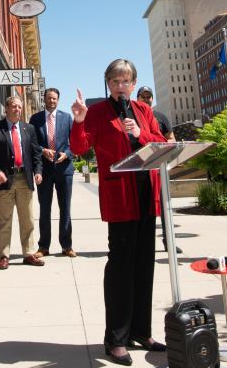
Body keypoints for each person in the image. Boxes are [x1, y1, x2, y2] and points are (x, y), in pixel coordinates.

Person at [70, 58, 168, 366]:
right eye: (115, 81)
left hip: (145, 194)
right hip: (120, 197)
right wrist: (78, 121)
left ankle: (141, 331)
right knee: (121, 267)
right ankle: (115, 339)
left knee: (144, 264)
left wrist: (140, 133)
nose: (121, 86)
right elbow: (78, 148)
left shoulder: (144, 111)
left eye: (126, 81)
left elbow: (161, 143)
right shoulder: (97, 112)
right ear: (108, 84)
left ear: (134, 83)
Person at [0, 96, 43, 269]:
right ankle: (4, 255)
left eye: (19, 107)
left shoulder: (29, 129)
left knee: (28, 219)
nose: (17, 109)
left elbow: (36, 154)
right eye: (14, 106)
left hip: (24, 178)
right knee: (4, 219)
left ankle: (29, 253)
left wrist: (38, 172)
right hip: (4, 180)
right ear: (7, 108)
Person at [29, 88, 76, 258]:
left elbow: (74, 142)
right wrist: (42, 150)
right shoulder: (35, 119)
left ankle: (67, 246)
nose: (52, 101)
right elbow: (31, 143)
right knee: (45, 210)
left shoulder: (67, 118)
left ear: (58, 100)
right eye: (49, 98)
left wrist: (67, 154)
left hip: (64, 170)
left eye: (54, 98)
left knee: (65, 209)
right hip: (45, 170)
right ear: (44, 99)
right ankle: (44, 247)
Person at [136, 86, 182, 255]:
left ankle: (169, 241)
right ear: (137, 98)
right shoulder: (132, 116)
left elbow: (171, 138)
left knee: (165, 207)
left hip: (159, 169)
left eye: (149, 97)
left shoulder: (161, 117)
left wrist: (170, 153)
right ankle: (141, 243)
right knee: (142, 208)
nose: (147, 99)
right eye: (143, 96)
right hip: (139, 169)